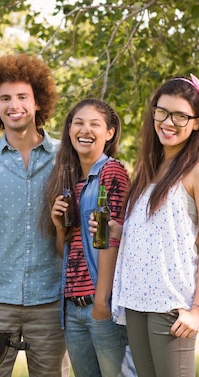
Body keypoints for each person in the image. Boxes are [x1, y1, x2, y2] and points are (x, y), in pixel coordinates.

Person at [0, 53, 69, 377]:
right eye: (5, 98)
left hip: (50, 300)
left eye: (22, 97)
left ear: (38, 103)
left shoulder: (65, 157)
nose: (13, 105)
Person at [110, 75, 199, 377]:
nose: (168, 122)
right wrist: (121, 232)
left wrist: (198, 310)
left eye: (180, 116)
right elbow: (161, 232)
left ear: (197, 122)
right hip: (135, 301)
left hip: (171, 305)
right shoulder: (148, 167)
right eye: (162, 112)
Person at [41, 99, 135, 377]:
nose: (85, 130)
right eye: (78, 122)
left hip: (99, 303)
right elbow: (67, 252)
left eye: (95, 124)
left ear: (109, 133)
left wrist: (102, 303)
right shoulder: (69, 180)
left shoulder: (112, 172)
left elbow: (112, 241)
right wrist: (60, 228)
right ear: (69, 129)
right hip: (72, 307)